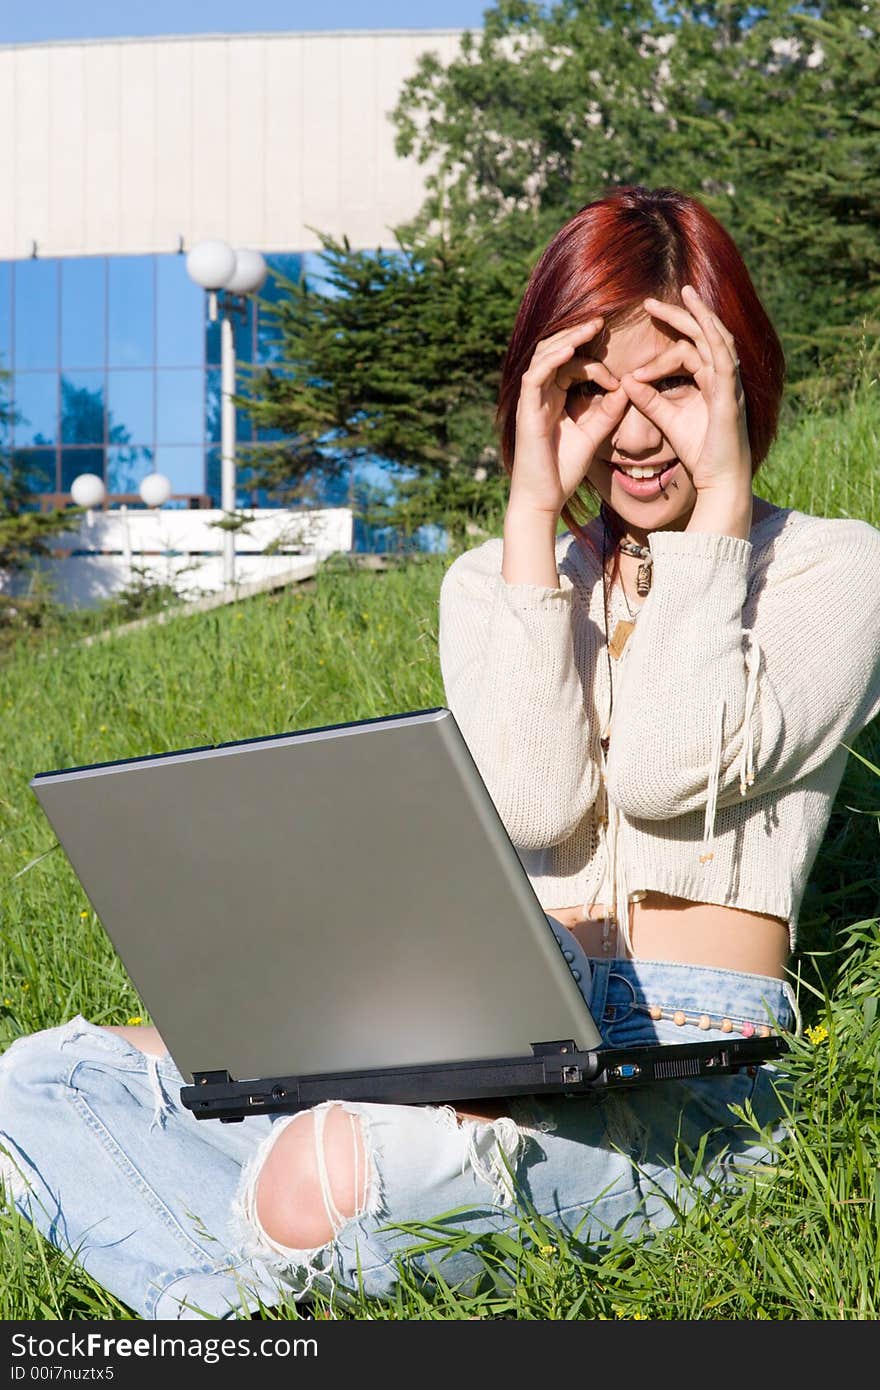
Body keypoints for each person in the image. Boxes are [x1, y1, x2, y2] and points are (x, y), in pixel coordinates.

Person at [2, 185, 880, 1321]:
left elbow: (671, 763)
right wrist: (528, 521)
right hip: (474, 1020)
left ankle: (268, 1247)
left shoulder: (831, 570)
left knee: (327, 1163)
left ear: (738, 376)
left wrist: (716, 516)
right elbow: (531, 801)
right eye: (583, 393)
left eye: (673, 381)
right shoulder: (492, 582)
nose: (631, 429)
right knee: (46, 1077)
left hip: (689, 1071)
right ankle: (222, 1310)